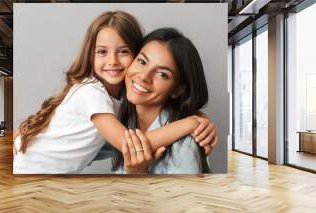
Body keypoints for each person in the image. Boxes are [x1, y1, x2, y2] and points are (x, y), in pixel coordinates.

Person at [13, 11, 217, 174]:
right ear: (90, 55)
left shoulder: (121, 104)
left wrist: (197, 117)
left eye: (123, 52)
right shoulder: (92, 93)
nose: (112, 61)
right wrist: (191, 122)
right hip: (32, 170)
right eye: (102, 52)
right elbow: (127, 144)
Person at [111, 28, 215, 174]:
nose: (143, 76)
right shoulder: (120, 119)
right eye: (142, 61)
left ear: (177, 90)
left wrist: (138, 175)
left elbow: (190, 197)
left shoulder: (184, 146)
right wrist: (194, 122)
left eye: (162, 74)